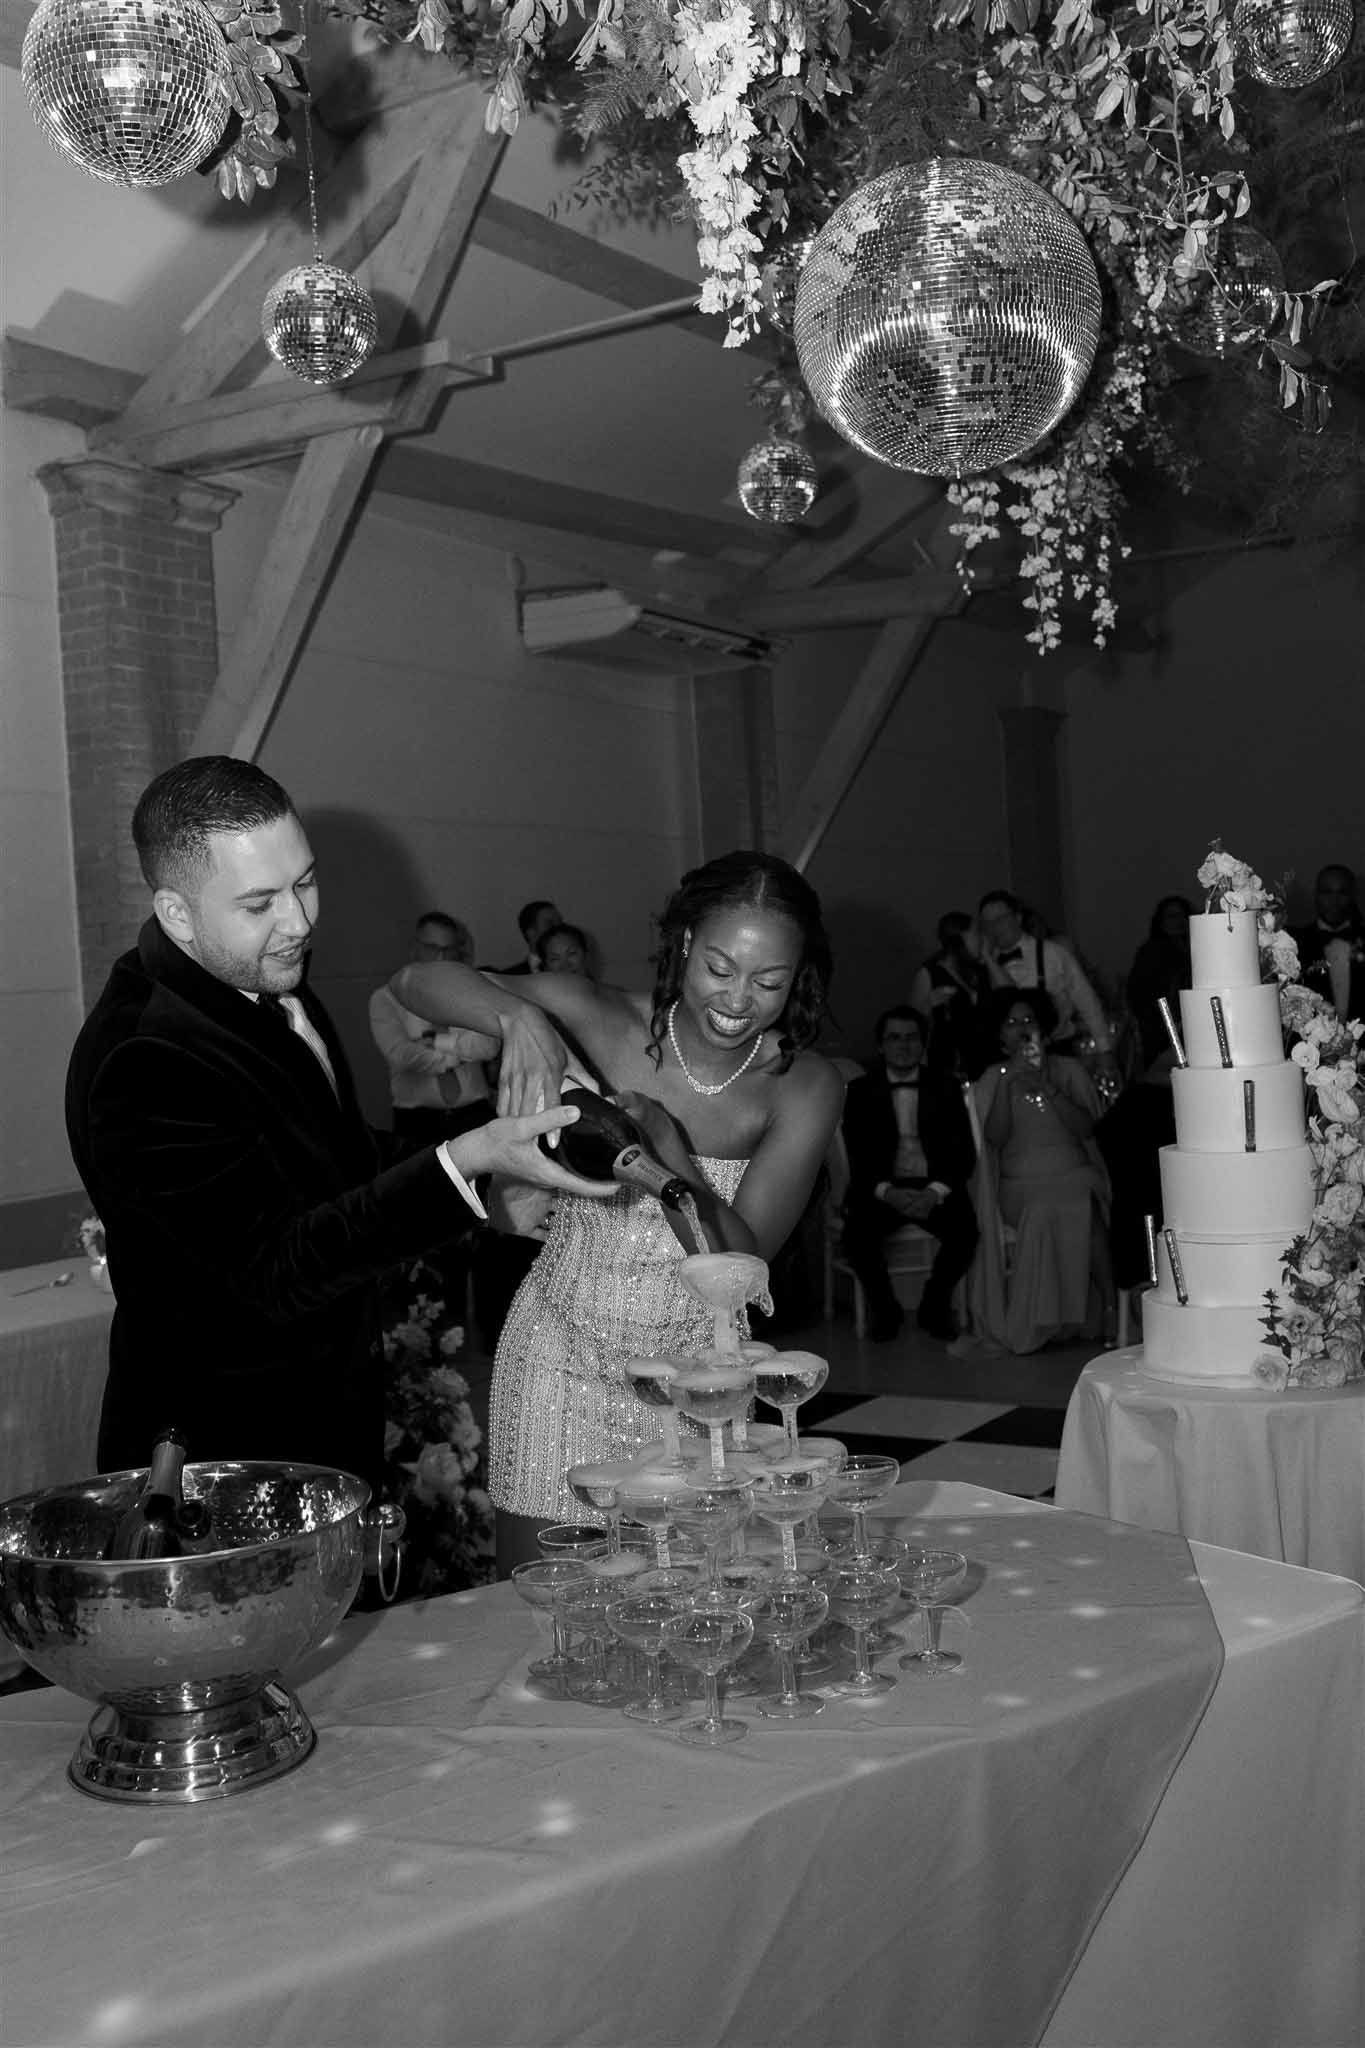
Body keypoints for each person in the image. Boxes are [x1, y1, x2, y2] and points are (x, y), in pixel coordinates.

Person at [65, 758, 612, 1491]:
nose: (298, 921)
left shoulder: (259, 982)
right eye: (260, 902)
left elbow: (336, 1157)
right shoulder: (146, 1055)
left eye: (305, 882)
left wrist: (492, 1179)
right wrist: (465, 1159)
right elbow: (271, 1274)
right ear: (177, 914)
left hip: (323, 1425)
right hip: (221, 1465)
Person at [393, 849, 844, 1572]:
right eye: (719, 969)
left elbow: (743, 1263)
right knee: (547, 1603)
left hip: (702, 1384)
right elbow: (414, 981)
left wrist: (670, 1158)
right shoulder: (599, 1014)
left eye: (769, 983)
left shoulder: (802, 1084)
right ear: (686, 943)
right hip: (557, 1363)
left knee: (688, 1605)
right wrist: (518, 1017)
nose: (736, 1001)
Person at [959, 988, 1111, 1356]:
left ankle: (1111, 1305)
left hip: (1074, 1171)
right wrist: (1011, 1082)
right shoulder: (994, 1077)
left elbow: (1087, 1129)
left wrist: (1048, 1087)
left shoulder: (1068, 1069)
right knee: (1045, 1209)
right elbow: (995, 1138)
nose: (1022, 1029)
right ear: (1000, 1034)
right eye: (1012, 1023)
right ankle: (1046, 1317)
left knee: (1082, 1201)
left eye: (1028, 1020)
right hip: (1021, 1183)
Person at [840, 1007, 978, 1342]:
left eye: (912, 1038)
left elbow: (963, 1153)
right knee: (857, 1238)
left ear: (923, 1044)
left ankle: (935, 1303)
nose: (903, 1045)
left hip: (934, 1186)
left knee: (965, 1232)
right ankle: (885, 1309)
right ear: (881, 1046)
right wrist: (889, 1193)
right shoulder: (860, 1091)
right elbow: (857, 1154)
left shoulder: (946, 1087)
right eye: (895, 1038)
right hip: (882, 1187)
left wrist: (933, 1192)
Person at [369, 910, 494, 1144]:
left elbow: (487, 1047)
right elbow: (401, 1055)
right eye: (431, 948)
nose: (440, 958)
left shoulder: (473, 992)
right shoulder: (386, 998)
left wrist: (434, 1041)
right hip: (418, 1122)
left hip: (475, 1116)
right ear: (414, 948)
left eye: (448, 950)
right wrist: (454, 1058)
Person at [976, 889, 1118, 1085]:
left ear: (1018, 918)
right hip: (1006, 1062)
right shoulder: (983, 965)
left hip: (1055, 1054)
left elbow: (1087, 1001)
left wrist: (1104, 1050)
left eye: (1000, 919)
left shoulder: (1053, 954)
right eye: (987, 923)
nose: (994, 928)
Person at [908, 911, 992, 1077]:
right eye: (976, 933)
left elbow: (1008, 997)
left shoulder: (977, 972)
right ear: (960, 937)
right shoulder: (930, 973)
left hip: (984, 1061)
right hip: (948, 1065)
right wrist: (928, 1005)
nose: (981, 938)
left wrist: (989, 958)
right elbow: (911, 1024)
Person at [1290, 864, 1365, 1022]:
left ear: (1353, 896)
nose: (1334, 901)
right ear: (1316, 895)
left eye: (1342, 892)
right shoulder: (1295, 945)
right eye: (1327, 892)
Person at [1126, 895, 1192, 1069]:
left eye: (1182, 915)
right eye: (1172, 916)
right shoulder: (1150, 952)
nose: (1178, 921)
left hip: (1193, 1027)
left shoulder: (1196, 948)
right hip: (1162, 1029)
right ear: (1161, 921)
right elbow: (1138, 994)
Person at [497, 899, 562, 976]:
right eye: (550, 924)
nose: (560, 929)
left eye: (560, 923)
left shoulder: (574, 969)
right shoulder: (509, 977)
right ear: (531, 933)